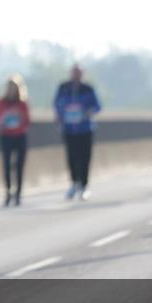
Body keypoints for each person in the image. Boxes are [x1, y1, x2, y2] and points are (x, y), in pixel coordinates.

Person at [54, 64, 101, 201]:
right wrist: (59, 115)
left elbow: (97, 106)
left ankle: (84, 185)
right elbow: (56, 104)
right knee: (71, 157)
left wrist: (87, 113)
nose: (76, 75)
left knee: (85, 157)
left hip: (85, 129)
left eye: (78, 73)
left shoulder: (88, 89)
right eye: (74, 72)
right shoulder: (63, 88)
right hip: (69, 129)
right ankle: (74, 183)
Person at [0, 74, 30, 206]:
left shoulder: (23, 104)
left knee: (19, 165)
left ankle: (18, 193)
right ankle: (8, 191)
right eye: (9, 87)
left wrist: (19, 117)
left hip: (20, 136)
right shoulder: (1, 102)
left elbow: (27, 121)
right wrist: (6, 119)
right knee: (6, 165)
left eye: (14, 87)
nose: (11, 90)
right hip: (6, 136)